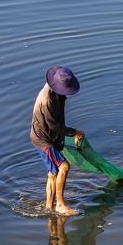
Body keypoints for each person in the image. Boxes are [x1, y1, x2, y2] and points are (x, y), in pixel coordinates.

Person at [30, 65, 85, 216]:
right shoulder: (46, 100)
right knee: (64, 167)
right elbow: (53, 125)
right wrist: (74, 132)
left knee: (52, 173)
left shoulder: (56, 92)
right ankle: (60, 204)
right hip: (43, 139)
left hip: (52, 138)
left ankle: (49, 206)